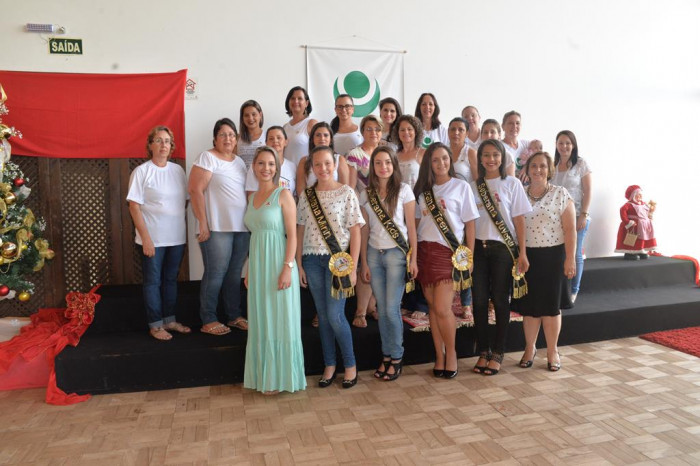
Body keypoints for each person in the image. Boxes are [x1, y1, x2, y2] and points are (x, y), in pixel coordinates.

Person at [297, 145, 364, 389]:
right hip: (311, 260)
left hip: (339, 263)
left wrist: (353, 267)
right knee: (323, 316)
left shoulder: (347, 192)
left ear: (334, 165)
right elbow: (300, 230)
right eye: (317, 164)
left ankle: (350, 365)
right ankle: (330, 364)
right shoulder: (306, 196)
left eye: (327, 163)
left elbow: (355, 231)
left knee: (336, 315)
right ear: (312, 168)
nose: (323, 168)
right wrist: (298, 264)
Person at [243, 146, 306, 394]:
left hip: (280, 264)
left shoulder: (283, 194)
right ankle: (264, 377)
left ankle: (280, 378)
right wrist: (249, 269)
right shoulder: (251, 198)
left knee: (280, 319)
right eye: (261, 163)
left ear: (277, 168)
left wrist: (288, 268)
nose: (266, 168)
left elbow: (292, 235)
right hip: (258, 267)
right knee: (262, 319)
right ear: (253, 166)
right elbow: (255, 236)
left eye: (271, 164)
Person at [414, 143, 479, 379]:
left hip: (448, 253)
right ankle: (439, 356)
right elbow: (416, 225)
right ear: (429, 164)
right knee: (433, 308)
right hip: (425, 252)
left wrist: (469, 256)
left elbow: (470, 224)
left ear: (450, 160)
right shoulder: (422, 191)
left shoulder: (461, 186)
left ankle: (451, 354)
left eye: (444, 158)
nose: (441, 163)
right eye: (435, 160)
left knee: (443, 308)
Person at [471, 139, 531, 376]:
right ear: (480, 158)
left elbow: (519, 220)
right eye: (486, 155)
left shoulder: (512, 183)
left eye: (496, 155)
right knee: (478, 301)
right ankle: (483, 350)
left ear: (503, 157)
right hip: (478, 249)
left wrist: (522, 252)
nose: (491, 159)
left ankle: (498, 351)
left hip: (503, 249)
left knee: (499, 300)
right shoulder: (473, 186)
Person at [359, 146, 418, 381]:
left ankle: (397, 356)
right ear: (372, 167)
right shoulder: (366, 194)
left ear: (394, 165)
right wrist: (363, 262)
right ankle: (386, 355)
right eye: (378, 163)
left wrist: (414, 258)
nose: (383, 167)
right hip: (374, 254)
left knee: (391, 309)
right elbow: (364, 230)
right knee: (381, 310)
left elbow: (411, 228)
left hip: (396, 254)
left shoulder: (404, 190)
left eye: (387, 162)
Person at [127, 126, 190, 341]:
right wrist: (146, 238)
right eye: (159, 140)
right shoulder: (141, 172)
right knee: (153, 282)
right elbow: (134, 207)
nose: (164, 145)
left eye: (167, 141)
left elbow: (184, 202)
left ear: (172, 146)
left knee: (170, 280)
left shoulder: (178, 171)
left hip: (176, 239)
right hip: (152, 239)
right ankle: (155, 325)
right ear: (150, 145)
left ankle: (169, 320)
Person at [189, 118, 249, 335]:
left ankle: (233, 315)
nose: (228, 138)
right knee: (215, 273)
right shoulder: (207, 157)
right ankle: (208, 319)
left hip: (241, 228)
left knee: (234, 274)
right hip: (216, 228)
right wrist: (203, 223)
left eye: (231, 135)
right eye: (222, 134)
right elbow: (195, 190)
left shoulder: (239, 162)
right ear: (215, 138)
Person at [517, 152, 576, 372]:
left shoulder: (560, 193)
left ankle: (552, 351)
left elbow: (570, 230)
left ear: (549, 169)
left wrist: (570, 259)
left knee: (551, 308)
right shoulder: (520, 194)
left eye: (542, 166)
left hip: (554, 257)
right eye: (534, 165)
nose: (538, 170)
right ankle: (529, 348)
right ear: (527, 169)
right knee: (530, 308)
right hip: (528, 258)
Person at [347, 115, 384, 328]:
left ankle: (372, 306)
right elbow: (351, 187)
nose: (373, 133)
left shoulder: (386, 152)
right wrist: (357, 212)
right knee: (366, 260)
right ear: (362, 131)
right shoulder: (355, 154)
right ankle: (360, 310)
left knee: (381, 259)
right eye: (369, 129)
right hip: (364, 213)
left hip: (385, 215)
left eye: (377, 129)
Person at [551, 130, 592, 302]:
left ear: (573, 145)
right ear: (556, 145)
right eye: (560, 143)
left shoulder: (581, 164)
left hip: (577, 216)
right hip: (556, 219)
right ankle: (562, 289)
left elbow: (588, 191)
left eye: (567, 143)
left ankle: (574, 290)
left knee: (575, 253)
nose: (564, 146)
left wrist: (584, 214)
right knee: (561, 254)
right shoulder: (552, 165)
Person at [295, 121, 350, 199]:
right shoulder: (304, 161)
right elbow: (301, 191)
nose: (322, 138)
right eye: (318, 135)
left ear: (331, 139)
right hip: (311, 204)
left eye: (326, 135)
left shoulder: (340, 159)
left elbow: (344, 189)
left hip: (336, 203)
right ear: (312, 139)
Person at [245, 126, 296, 196]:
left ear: (286, 142)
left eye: (279, 138)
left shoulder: (293, 167)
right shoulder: (255, 166)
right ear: (266, 143)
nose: (275, 141)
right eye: (271, 138)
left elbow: (295, 195)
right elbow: (251, 196)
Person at [615, 185, 657, 260]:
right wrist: (628, 222)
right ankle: (630, 253)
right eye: (639, 194)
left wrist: (650, 213)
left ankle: (640, 250)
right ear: (633, 195)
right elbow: (622, 212)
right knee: (633, 239)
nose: (641, 196)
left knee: (643, 238)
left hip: (644, 225)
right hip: (633, 226)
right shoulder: (628, 205)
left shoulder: (644, 204)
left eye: (641, 194)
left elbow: (646, 213)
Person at [283, 86, 318, 165]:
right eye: (292, 98)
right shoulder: (285, 127)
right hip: (287, 171)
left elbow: (320, 150)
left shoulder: (311, 123)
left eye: (300, 98)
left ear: (306, 103)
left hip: (304, 170)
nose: (296, 101)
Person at [393, 114, 425, 190]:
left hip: (418, 196)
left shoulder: (423, 153)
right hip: (398, 196)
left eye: (409, 129)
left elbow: (429, 181)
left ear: (415, 132)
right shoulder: (394, 155)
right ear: (398, 133)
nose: (406, 132)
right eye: (402, 130)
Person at [237, 100, 265, 170]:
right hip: (241, 176)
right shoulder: (237, 138)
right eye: (246, 115)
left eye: (254, 114)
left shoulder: (267, 136)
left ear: (260, 115)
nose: (250, 118)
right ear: (242, 118)